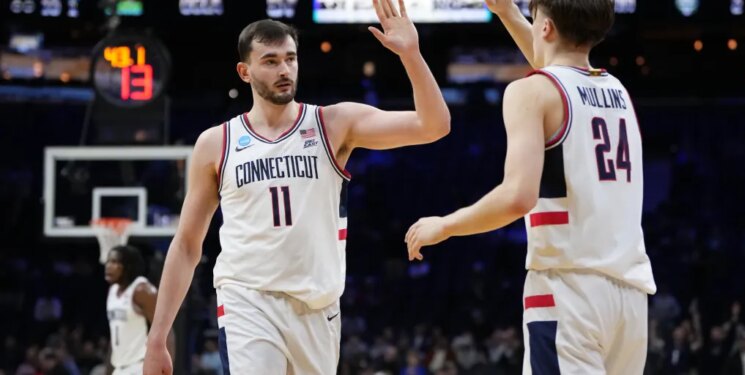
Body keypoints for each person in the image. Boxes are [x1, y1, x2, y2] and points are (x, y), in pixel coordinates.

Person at [143, 0, 451, 373]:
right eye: (271, 61)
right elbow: (188, 244)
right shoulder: (216, 143)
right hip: (246, 300)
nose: (284, 69)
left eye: (290, 58)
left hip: (317, 306)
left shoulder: (333, 123)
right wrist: (158, 338)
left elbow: (434, 126)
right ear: (245, 71)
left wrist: (412, 55)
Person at [405, 0, 656, 373]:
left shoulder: (530, 92)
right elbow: (555, 71)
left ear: (546, 28)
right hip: (630, 297)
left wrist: (446, 225)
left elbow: (518, 197)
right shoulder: (617, 91)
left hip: (568, 292)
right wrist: (508, 13)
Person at [105, 245, 173, 375]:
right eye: (108, 261)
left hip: (139, 366)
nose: (108, 266)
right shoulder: (112, 291)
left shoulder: (142, 290)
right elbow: (115, 337)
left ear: (127, 266)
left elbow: (166, 331)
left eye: (114, 262)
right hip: (119, 368)